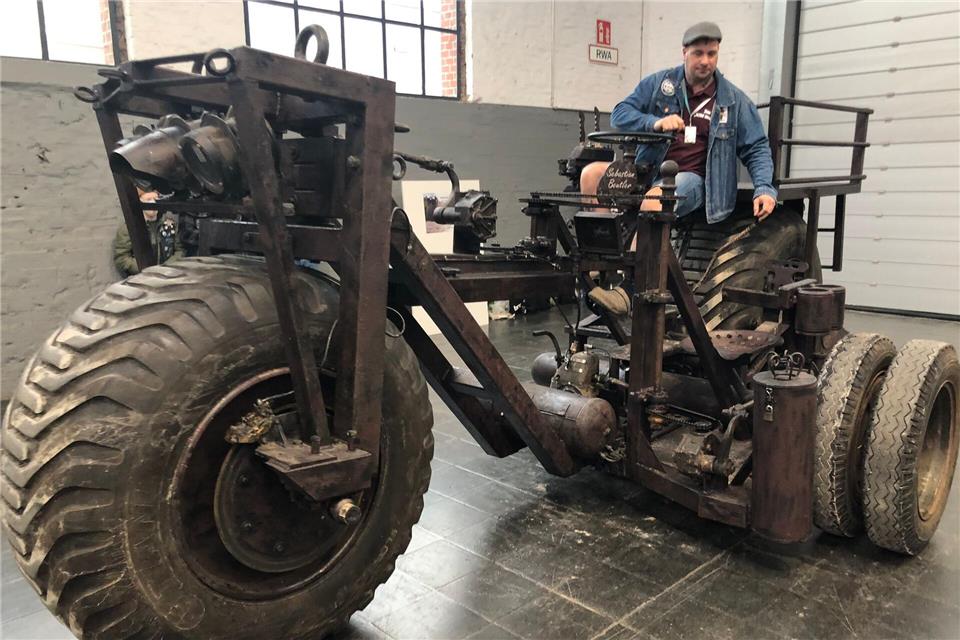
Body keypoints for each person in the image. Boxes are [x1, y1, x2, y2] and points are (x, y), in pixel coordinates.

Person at [582, 21, 777, 315]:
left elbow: (757, 147)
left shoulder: (733, 101)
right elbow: (620, 114)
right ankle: (600, 262)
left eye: (712, 53)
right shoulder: (660, 85)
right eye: (698, 53)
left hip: (694, 180)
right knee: (592, 174)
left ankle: (632, 287)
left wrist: (764, 188)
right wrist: (655, 122)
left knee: (655, 200)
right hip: (648, 170)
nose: (705, 61)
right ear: (684, 52)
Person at [113, 188, 182, 277]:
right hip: (141, 278)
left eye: (156, 199)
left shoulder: (169, 225)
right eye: (148, 199)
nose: (153, 202)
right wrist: (145, 269)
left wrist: (165, 268)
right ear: (139, 202)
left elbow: (180, 250)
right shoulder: (129, 229)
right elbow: (122, 258)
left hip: (168, 276)